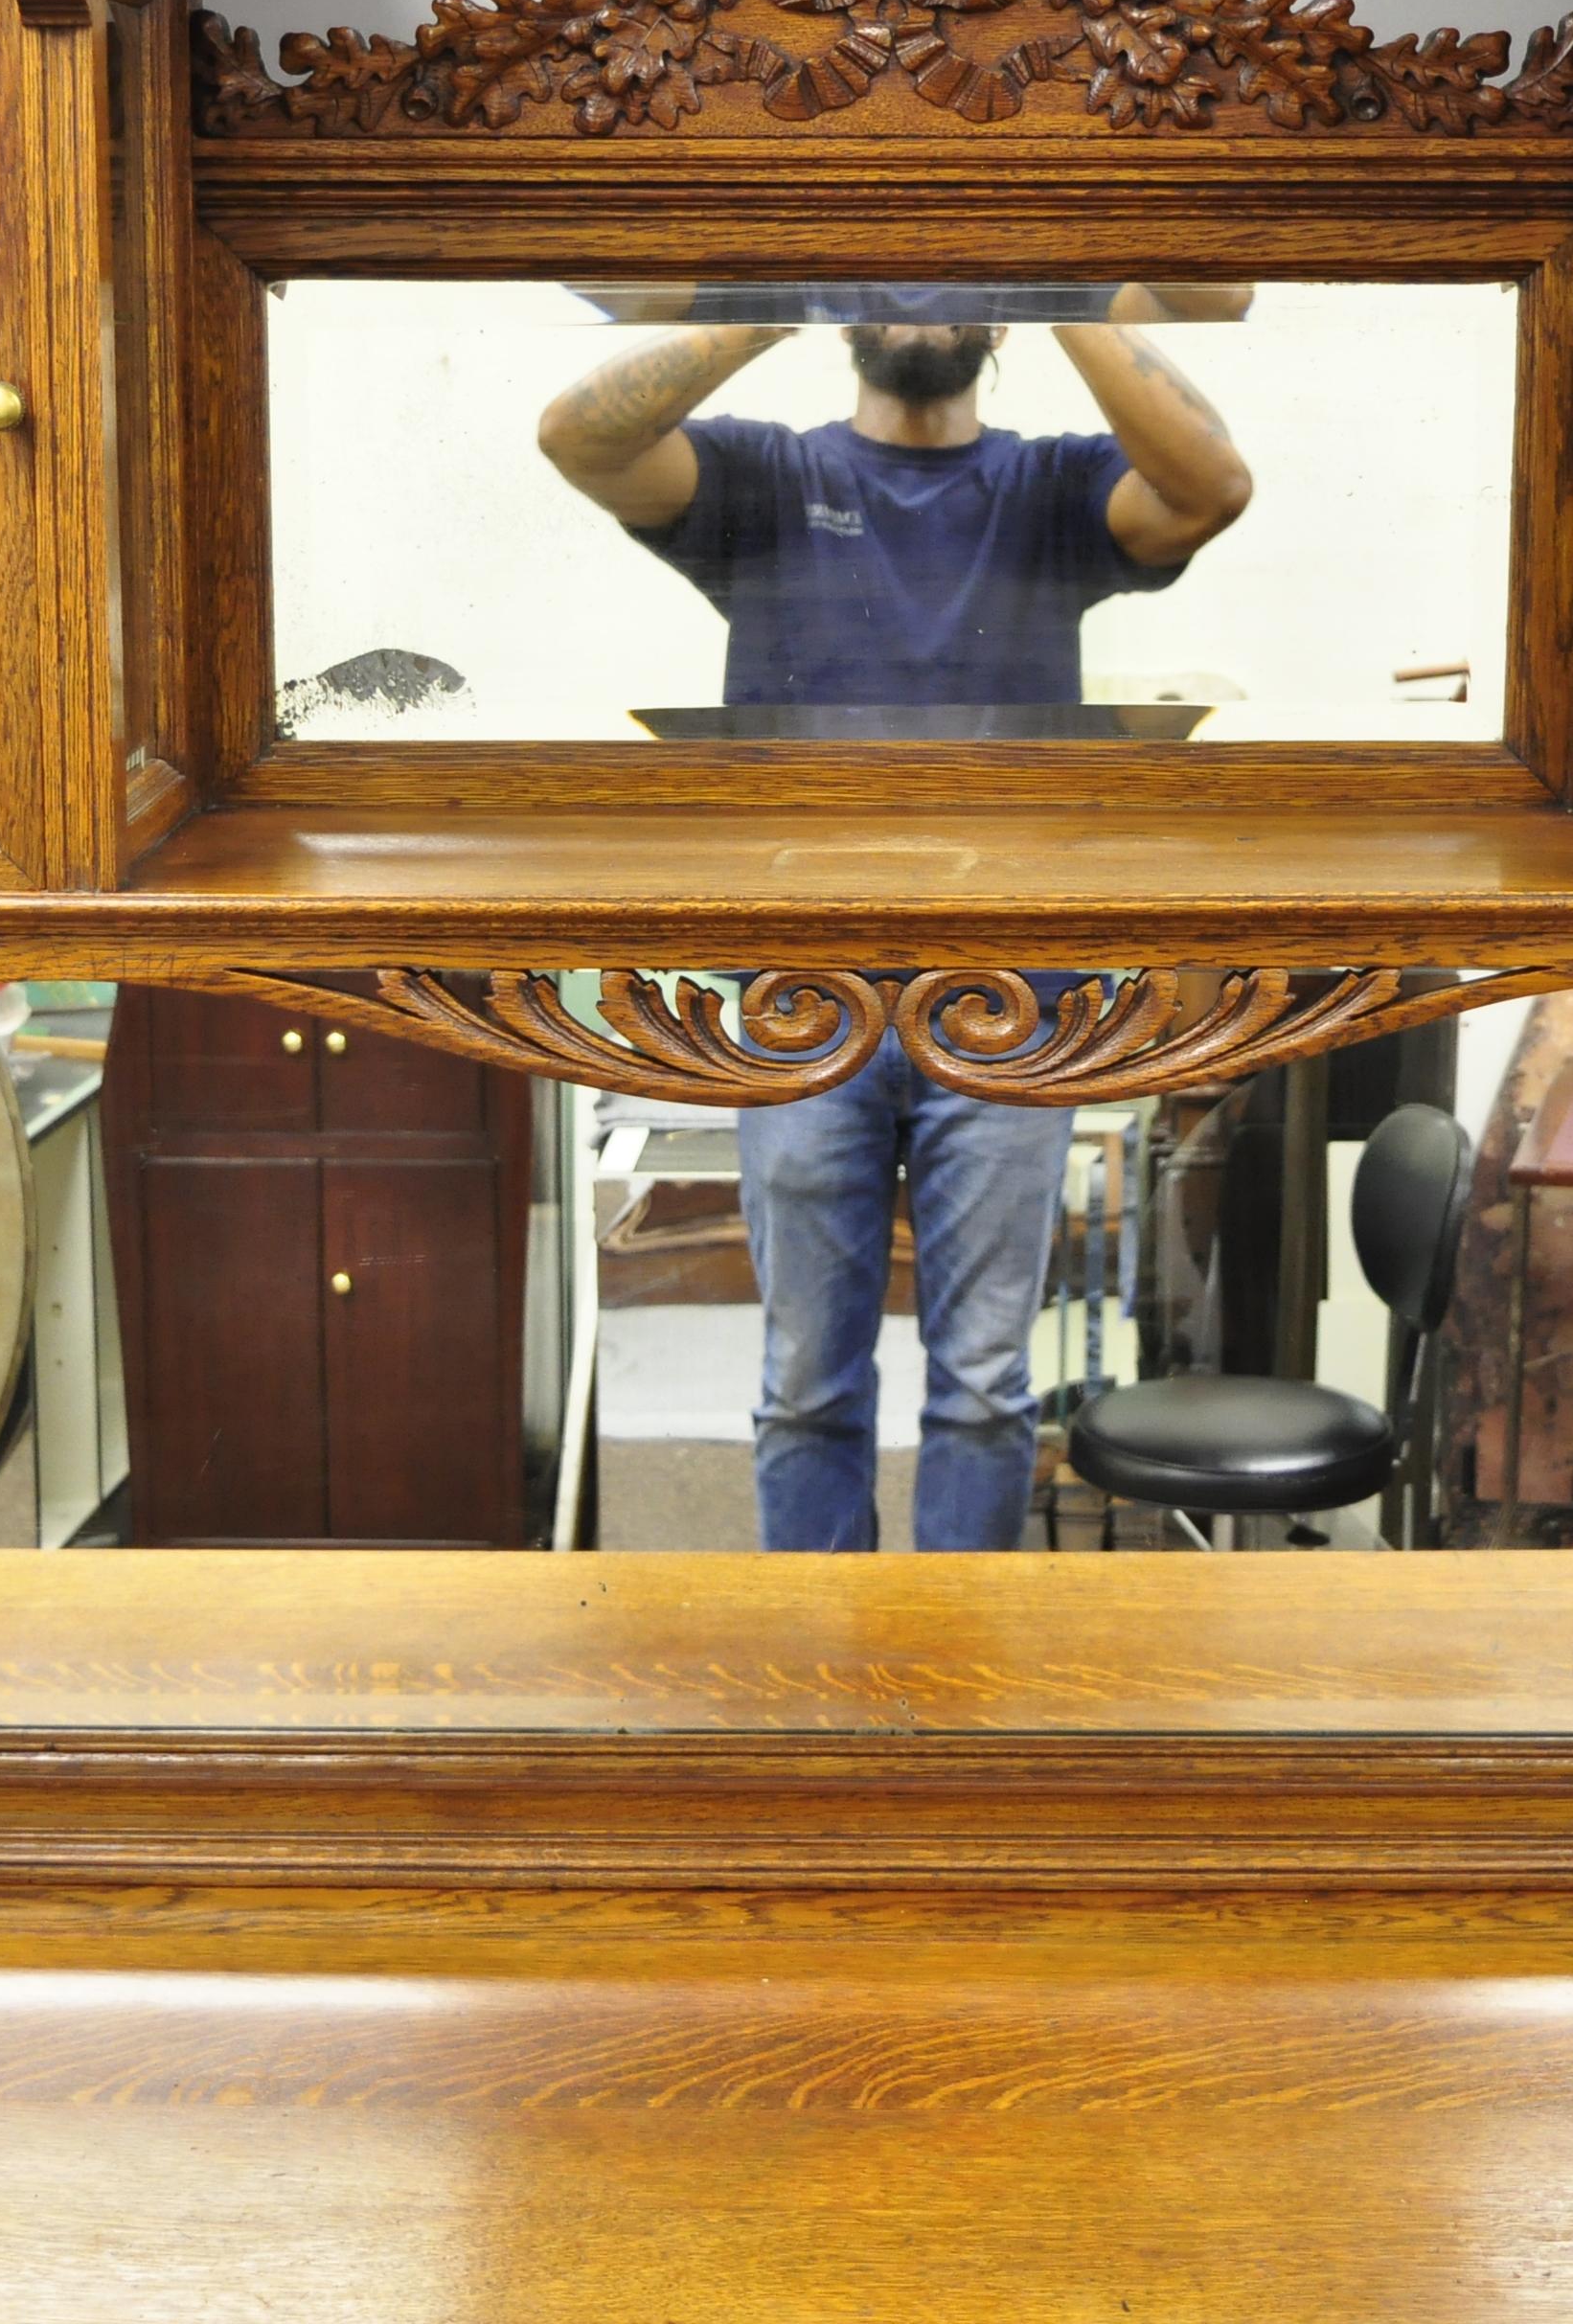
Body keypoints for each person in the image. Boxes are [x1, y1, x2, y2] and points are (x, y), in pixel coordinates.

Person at [536, 286, 1256, 1551]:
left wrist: (1058, 281)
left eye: (956, 275)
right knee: (808, 1385)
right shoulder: (763, 474)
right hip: (803, 1003)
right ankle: (820, 1677)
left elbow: (1211, 487)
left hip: (1013, 1004)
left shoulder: (1051, 489)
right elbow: (579, 438)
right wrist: (787, 282)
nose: (925, 291)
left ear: (1000, 323)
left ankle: (958, 1696)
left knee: (985, 1389)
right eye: (898, 269)